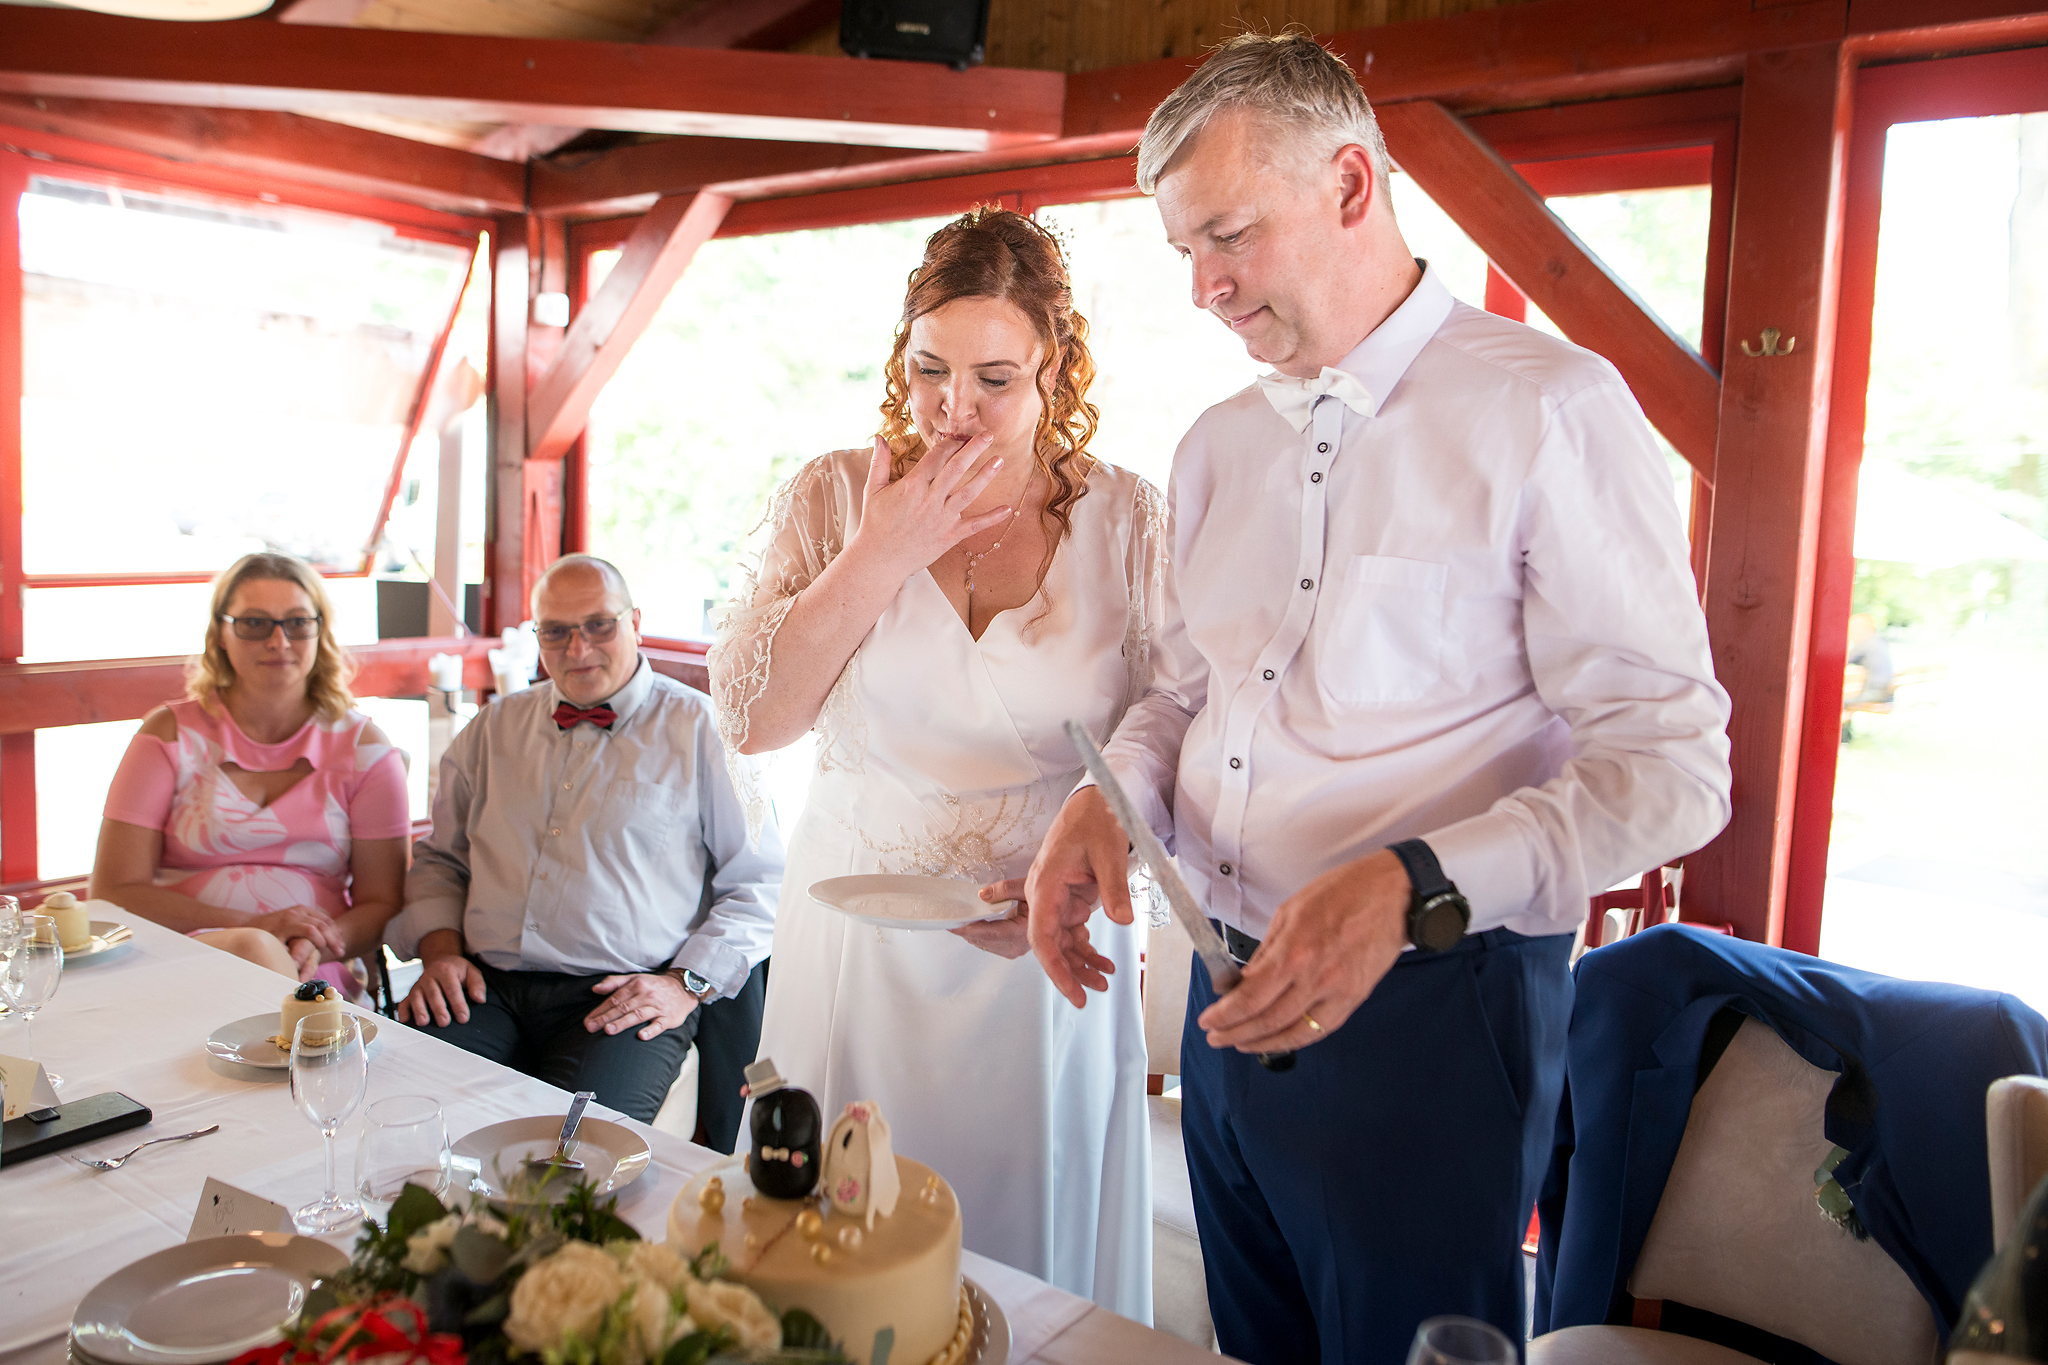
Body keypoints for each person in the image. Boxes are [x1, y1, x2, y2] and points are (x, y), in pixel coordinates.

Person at [1024, 34, 1734, 1362]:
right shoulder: (1216, 444)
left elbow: (1674, 768)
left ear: (1351, 183)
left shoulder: (1551, 410)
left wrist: (1415, 882)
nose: (1203, 287)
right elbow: (1187, 686)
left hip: (1435, 1013)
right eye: (1183, 249)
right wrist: (1108, 794)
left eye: (1227, 235)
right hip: (1223, 996)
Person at [709, 207, 1158, 1320]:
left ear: (1054, 365)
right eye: (928, 371)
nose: (954, 408)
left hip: (1041, 938)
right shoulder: (833, 497)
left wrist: (1086, 870)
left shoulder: (1129, 520)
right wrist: (881, 553)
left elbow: (1173, 732)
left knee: (1025, 1270)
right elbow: (755, 721)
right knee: (840, 1251)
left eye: (994, 378)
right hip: (858, 938)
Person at [384, 554, 780, 1146]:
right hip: (484, 988)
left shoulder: (703, 731)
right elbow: (441, 860)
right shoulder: (492, 730)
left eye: (599, 625)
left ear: (635, 623)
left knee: (574, 1157)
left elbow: (760, 883)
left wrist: (684, 984)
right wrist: (439, 953)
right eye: (556, 631)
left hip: (622, 996)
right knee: (401, 1120)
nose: (578, 648)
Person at [92, 552, 409, 992]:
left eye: (297, 622)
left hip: (313, 965)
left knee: (269, 962)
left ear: (320, 631)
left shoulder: (365, 748)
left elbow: (383, 902)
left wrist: (312, 946)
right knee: (255, 950)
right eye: (254, 623)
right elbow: (114, 889)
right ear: (220, 633)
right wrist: (254, 927)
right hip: (179, 960)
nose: (279, 641)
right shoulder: (167, 734)